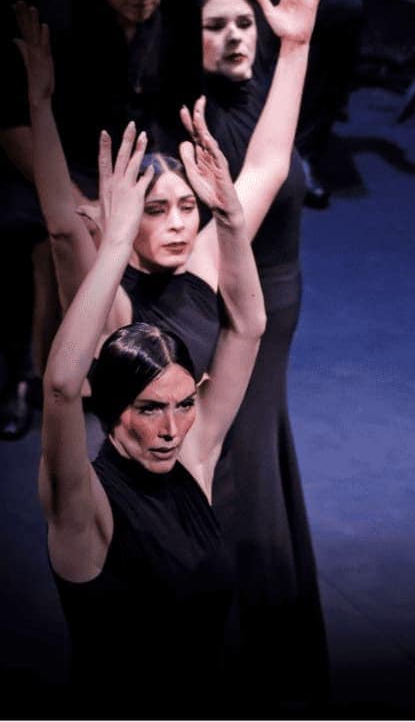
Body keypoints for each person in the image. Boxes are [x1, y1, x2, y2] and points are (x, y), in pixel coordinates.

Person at [39, 97, 266, 717]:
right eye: (148, 410)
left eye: (184, 405)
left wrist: (232, 218)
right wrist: (113, 242)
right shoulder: (81, 503)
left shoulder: (192, 455)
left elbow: (247, 327)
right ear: (112, 409)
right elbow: (60, 388)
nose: (170, 430)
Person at [15, 0, 325, 382]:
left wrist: (296, 45)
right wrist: (40, 106)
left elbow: (266, 168)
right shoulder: (115, 306)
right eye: (158, 209)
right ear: (127, 220)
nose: (180, 223)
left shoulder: (201, 275)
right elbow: (65, 224)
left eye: (187, 206)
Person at [198, 0, 330, 708]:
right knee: (240, 483)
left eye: (241, 22)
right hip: (231, 316)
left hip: (279, 304)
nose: (235, 35)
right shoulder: (198, 124)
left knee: (261, 464)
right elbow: (257, 191)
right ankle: (242, 672)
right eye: (216, 25)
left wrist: (292, 50)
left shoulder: (262, 101)